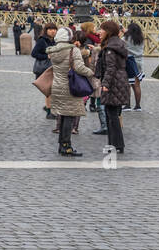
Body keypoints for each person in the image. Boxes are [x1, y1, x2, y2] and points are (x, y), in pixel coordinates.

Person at [46, 27, 96, 157]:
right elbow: (79, 67)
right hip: (70, 86)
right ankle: (66, 146)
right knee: (69, 116)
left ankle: (61, 145)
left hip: (57, 86)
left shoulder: (54, 50)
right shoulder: (72, 50)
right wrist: (91, 72)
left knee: (62, 115)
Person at [93, 19, 129, 154]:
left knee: (111, 114)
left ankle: (114, 144)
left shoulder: (110, 49)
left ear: (108, 31)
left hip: (113, 83)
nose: (99, 32)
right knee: (113, 114)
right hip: (120, 81)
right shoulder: (118, 44)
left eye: (101, 29)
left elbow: (110, 68)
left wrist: (105, 84)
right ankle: (117, 144)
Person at [31, 22, 58, 119]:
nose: (53, 31)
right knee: (49, 90)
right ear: (46, 31)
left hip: (53, 68)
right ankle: (49, 111)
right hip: (45, 69)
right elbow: (34, 53)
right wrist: (46, 56)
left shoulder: (55, 40)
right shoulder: (42, 41)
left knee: (52, 90)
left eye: (54, 29)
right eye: (50, 29)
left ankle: (49, 107)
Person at [125, 22, 145, 110]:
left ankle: (127, 105)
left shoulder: (126, 38)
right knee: (137, 85)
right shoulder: (141, 39)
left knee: (128, 84)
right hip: (139, 61)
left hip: (129, 61)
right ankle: (138, 106)